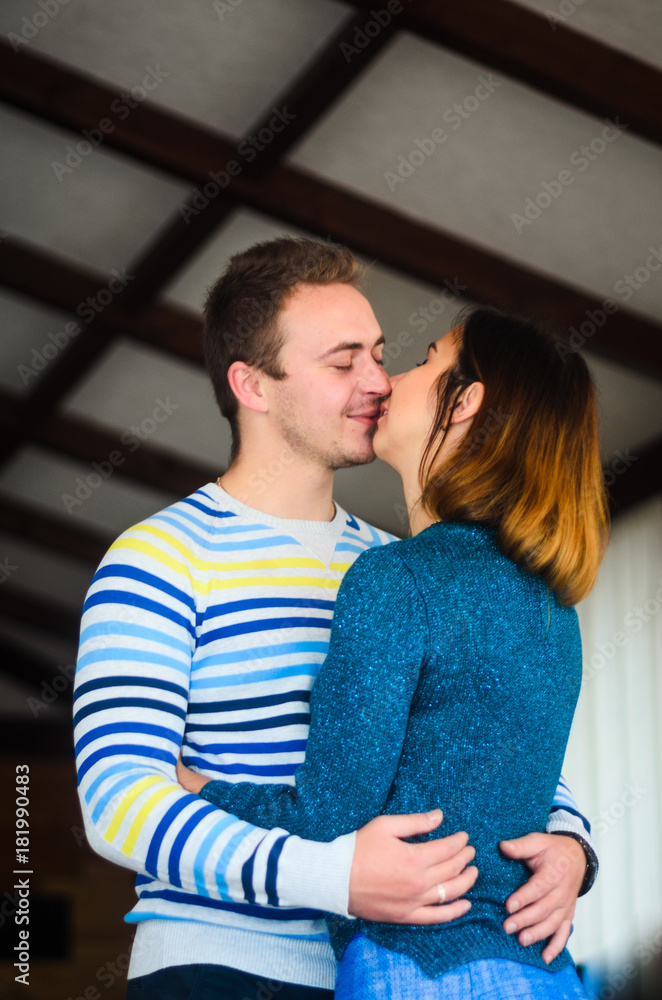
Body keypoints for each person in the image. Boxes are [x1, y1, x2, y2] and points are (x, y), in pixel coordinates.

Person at [74, 238, 598, 1000]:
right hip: (218, 970)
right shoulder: (158, 558)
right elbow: (117, 800)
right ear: (253, 385)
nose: (378, 382)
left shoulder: (399, 568)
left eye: (380, 355)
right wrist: (332, 877)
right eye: (343, 361)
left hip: (386, 970)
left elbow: (484, 739)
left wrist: (572, 844)